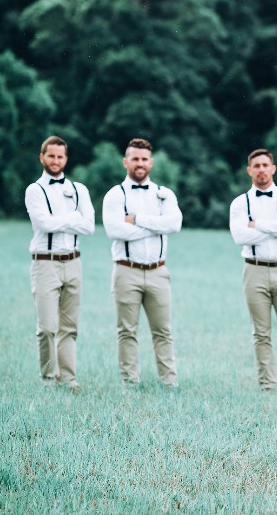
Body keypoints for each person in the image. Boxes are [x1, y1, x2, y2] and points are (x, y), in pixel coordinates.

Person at [102, 138, 183, 389]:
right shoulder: (116, 194)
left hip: (158, 271)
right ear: (126, 162)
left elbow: (174, 224)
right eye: (135, 159)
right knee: (127, 331)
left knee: (163, 331)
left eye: (144, 159)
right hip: (127, 271)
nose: (140, 163)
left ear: (151, 162)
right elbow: (114, 230)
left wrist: (136, 219)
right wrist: (155, 226)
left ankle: (169, 382)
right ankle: (130, 382)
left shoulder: (164, 194)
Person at [229, 148, 277, 391]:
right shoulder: (241, 202)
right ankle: (267, 385)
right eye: (256, 166)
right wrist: (276, 228)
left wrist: (257, 225)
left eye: (265, 165)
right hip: (254, 271)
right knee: (260, 333)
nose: (261, 169)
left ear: (273, 168)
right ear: (249, 170)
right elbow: (240, 236)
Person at [24, 136, 95, 391]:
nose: (56, 161)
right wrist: (74, 216)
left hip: (74, 262)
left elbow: (89, 226)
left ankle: (69, 378)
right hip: (45, 263)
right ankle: (47, 378)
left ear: (66, 159)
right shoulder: (35, 190)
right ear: (42, 157)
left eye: (60, 156)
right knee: (47, 327)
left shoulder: (79, 189)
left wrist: (62, 218)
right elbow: (44, 223)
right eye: (51, 156)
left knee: (69, 326)